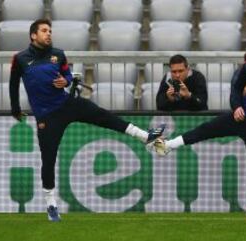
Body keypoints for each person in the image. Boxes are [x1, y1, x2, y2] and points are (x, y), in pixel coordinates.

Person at [9, 19, 165, 222]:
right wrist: (15, 109)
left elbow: (66, 75)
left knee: (104, 116)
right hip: (46, 115)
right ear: (33, 35)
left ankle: (146, 136)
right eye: (44, 31)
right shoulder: (20, 59)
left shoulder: (58, 54)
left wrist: (65, 81)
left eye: (50, 31)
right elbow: (13, 84)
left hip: (67, 104)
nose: (49, 34)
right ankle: (51, 205)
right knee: (48, 160)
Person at [147, 29, 246, 217]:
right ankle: (168, 145)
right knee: (205, 129)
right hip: (241, 118)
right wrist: (236, 107)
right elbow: (235, 89)